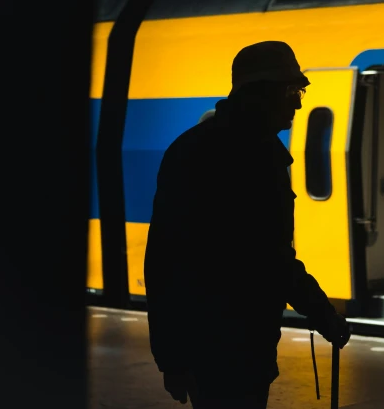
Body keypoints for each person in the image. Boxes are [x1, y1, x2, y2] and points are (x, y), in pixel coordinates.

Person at [144, 41, 351, 408]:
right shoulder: (234, 159)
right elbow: (266, 259)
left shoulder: (213, 150)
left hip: (239, 347)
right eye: (290, 91)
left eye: (299, 91)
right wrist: (324, 315)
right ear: (258, 93)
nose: (298, 103)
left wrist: (170, 357)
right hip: (225, 347)